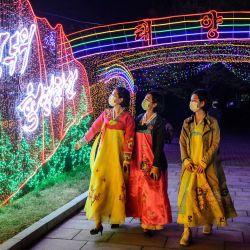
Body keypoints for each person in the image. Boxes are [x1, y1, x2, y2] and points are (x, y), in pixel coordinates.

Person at [178, 89, 237, 246]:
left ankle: (208, 221)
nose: (192, 102)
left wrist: (204, 162)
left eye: (194, 99)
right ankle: (187, 230)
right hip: (190, 167)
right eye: (191, 99)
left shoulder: (213, 123)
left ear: (202, 103)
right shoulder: (187, 123)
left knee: (207, 196)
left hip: (208, 167)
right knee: (188, 197)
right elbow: (182, 143)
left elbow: (215, 144)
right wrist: (186, 160)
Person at [75, 87, 135, 235]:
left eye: (114, 95)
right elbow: (94, 128)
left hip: (118, 158)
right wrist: (82, 141)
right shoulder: (106, 114)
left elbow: (129, 139)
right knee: (98, 184)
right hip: (103, 156)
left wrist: (126, 160)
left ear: (121, 99)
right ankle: (98, 223)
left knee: (115, 185)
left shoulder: (128, 118)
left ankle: (115, 217)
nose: (111, 96)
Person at [126, 91, 172, 236]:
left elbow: (159, 146)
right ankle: (143, 218)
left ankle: (153, 220)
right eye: (145, 98)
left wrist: (156, 165)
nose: (145, 101)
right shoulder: (139, 118)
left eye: (148, 99)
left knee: (153, 193)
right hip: (138, 162)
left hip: (152, 163)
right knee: (140, 191)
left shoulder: (159, 121)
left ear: (155, 104)